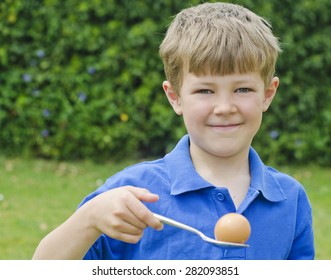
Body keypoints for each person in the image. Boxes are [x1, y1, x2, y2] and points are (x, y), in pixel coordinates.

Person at [32, 2, 314, 260]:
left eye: (242, 89)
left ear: (267, 94)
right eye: (205, 90)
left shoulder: (291, 200)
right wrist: (89, 219)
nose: (225, 107)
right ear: (175, 97)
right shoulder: (132, 194)